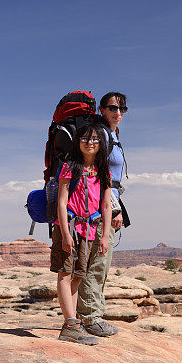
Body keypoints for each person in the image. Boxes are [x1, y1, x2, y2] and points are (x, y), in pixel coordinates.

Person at [51, 123, 114, 345]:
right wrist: (65, 233)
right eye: (85, 139)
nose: (90, 143)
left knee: (78, 276)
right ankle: (70, 325)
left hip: (89, 230)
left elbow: (106, 205)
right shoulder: (70, 166)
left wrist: (105, 236)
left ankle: (73, 325)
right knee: (65, 274)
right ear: (78, 142)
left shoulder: (103, 170)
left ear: (101, 144)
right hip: (69, 227)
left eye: (95, 139)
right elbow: (61, 200)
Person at [77, 91, 128, 337]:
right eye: (112, 108)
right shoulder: (101, 135)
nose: (118, 113)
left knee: (99, 263)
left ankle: (88, 316)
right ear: (102, 109)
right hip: (97, 209)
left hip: (106, 204)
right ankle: (91, 319)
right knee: (96, 264)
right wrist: (114, 209)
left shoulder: (112, 134)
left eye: (122, 109)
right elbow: (100, 175)